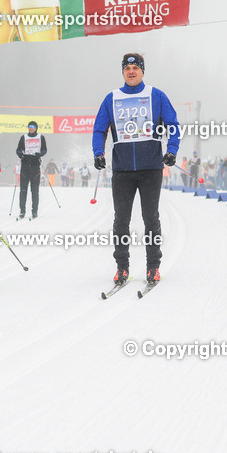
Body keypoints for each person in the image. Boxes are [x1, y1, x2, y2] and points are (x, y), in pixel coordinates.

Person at [92, 52, 180, 285]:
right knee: (121, 220)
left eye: (136, 68)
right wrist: (98, 153)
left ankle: (153, 267)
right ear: (123, 72)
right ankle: (122, 267)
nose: (131, 72)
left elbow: (172, 124)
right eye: (127, 68)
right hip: (122, 170)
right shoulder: (111, 98)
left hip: (150, 168)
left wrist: (171, 150)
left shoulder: (156, 95)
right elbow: (100, 129)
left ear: (142, 71)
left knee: (151, 218)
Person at [16, 121, 47, 219]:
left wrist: (40, 154)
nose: (31, 128)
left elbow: (44, 149)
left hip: (35, 166)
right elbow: (18, 149)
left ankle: (34, 211)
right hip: (25, 166)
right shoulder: (24, 137)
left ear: (36, 128)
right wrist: (20, 154)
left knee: (35, 191)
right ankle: (22, 211)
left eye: (33, 126)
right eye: (29, 126)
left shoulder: (41, 137)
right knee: (23, 190)